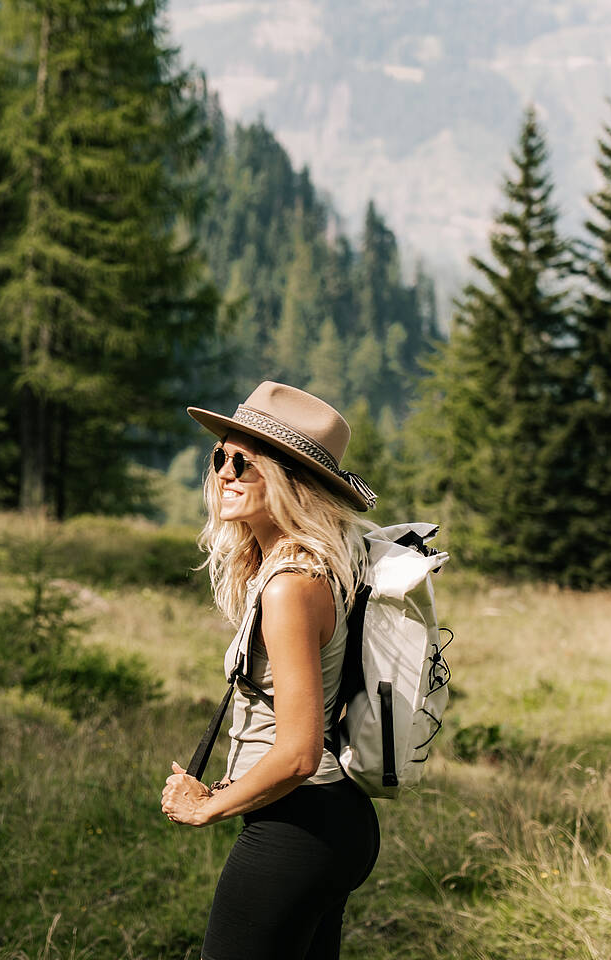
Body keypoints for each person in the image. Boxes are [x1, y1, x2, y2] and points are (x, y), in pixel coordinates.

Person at [161, 381, 382, 960]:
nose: (224, 474)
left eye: (244, 462)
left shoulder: (290, 586)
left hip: (299, 825)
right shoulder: (303, 570)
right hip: (326, 823)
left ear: (290, 480)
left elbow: (299, 753)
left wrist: (206, 806)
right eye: (220, 457)